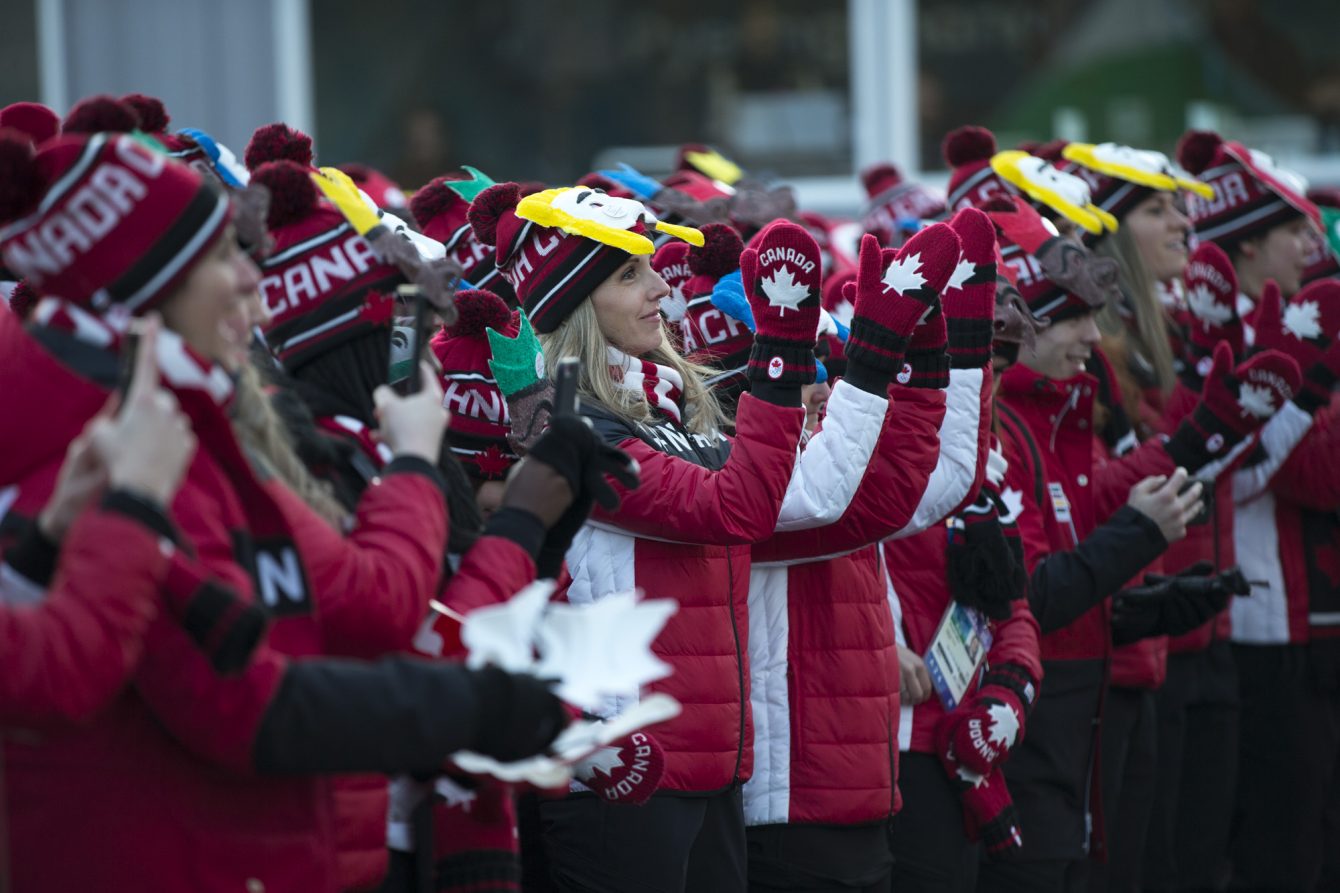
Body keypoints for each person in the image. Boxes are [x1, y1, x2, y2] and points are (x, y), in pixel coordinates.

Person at [0, 129, 572, 892]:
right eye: (219, 258)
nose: (249, 285)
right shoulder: (118, 453)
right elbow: (251, 689)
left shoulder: (175, 431)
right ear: (146, 293)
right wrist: (479, 698)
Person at [466, 179, 819, 890]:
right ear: (575, 305)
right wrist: (781, 357)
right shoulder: (577, 433)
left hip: (714, 765)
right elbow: (737, 508)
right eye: (631, 274)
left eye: (655, 267)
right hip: (624, 780)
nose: (663, 287)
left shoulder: (675, 412)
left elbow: (819, 503)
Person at [974, 194, 1298, 892]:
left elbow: (1091, 515)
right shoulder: (1002, 426)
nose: (1096, 337)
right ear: (1019, 324)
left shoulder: (1058, 409)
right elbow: (1031, 593)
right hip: (1037, 728)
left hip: (1082, 714)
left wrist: (1148, 604)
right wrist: (1140, 531)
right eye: (1076, 318)